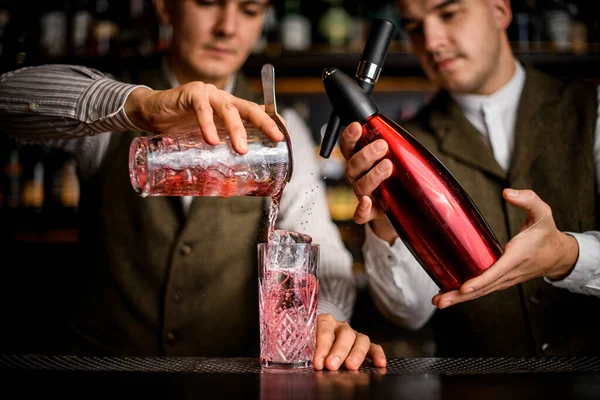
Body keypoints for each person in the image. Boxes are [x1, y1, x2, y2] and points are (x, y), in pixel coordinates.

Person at [0, 0, 386, 371]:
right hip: (107, 376)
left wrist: (324, 317)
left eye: (249, 10)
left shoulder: (283, 132)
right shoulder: (117, 113)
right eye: (206, 2)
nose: (227, 27)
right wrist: (136, 105)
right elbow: (8, 98)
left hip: (224, 382)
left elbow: (318, 244)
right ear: (165, 5)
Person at [340, 0, 600, 357]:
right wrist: (388, 219)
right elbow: (408, 313)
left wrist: (566, 255)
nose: (431, 41)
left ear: (500, 10)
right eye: (415, 27)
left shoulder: (592, 109)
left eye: (448, 13)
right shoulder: (400, 146)